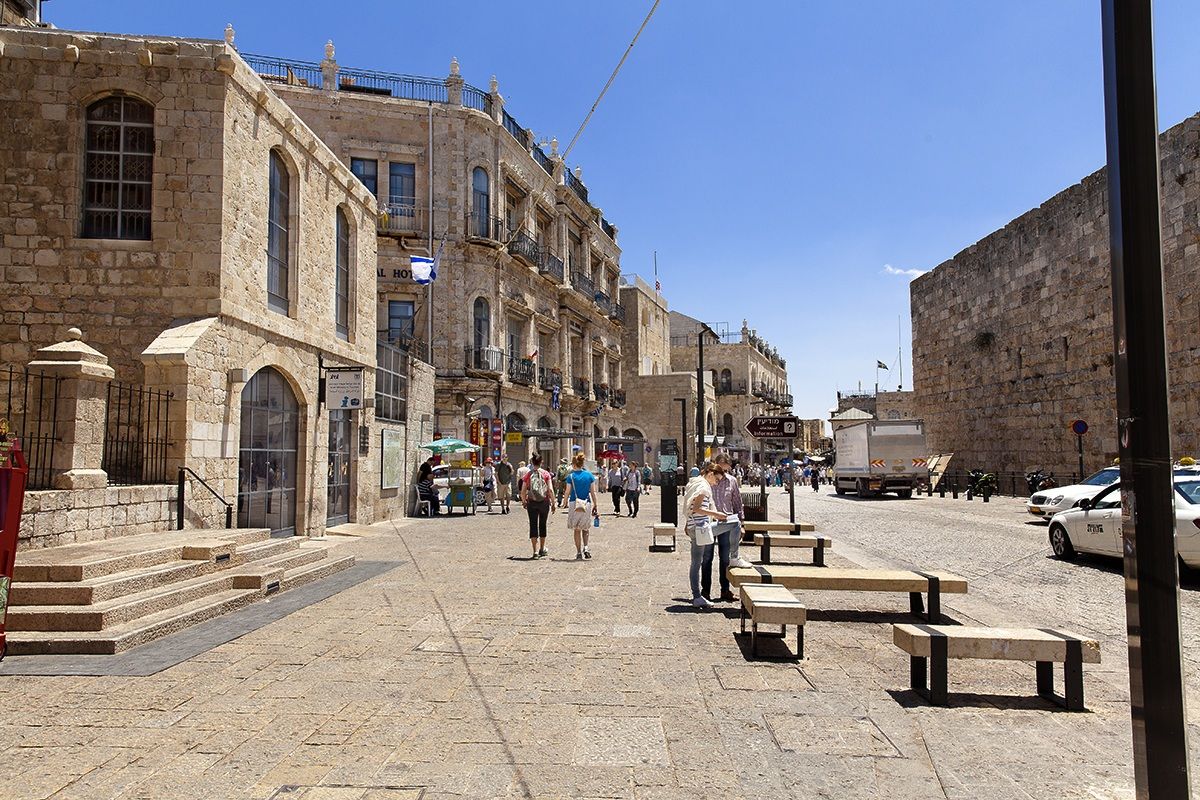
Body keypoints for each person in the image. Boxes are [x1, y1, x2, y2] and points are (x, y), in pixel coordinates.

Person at [684, 464, 727, 609]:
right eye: (716, 479)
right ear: (710, 474)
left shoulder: (697, 483)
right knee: (696, 563)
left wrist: (687, 523)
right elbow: (696, 508)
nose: (716, 483)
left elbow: (689, 506)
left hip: (694, 526)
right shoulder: (703, 487)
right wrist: (716, 514)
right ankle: (697, 596)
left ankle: (697, 595)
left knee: (696, 562)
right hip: (699, 528)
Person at [710, 453, 752, 600]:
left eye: (726, 468)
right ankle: (705, 592)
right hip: (711, 521)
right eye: (721, 466)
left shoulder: (732, 481)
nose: (723, 470)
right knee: (707, 558)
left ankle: (725, 589)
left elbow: (737, 503)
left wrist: (742, 523)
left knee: (725, 558)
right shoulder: (708, 480)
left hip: (727, 523)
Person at [564, 452, 599, 559]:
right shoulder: (589, 475)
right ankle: (586, 547)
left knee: (577, 529)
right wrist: (595, 505)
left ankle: (579, 552)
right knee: (585, 528)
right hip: (586, 503)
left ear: (574, 465)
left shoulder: (571, 476)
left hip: (575, 504)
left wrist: (564, 502)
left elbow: (567, 491)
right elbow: (593, 492)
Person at [520, 453, 555, 558]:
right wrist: (553, 503)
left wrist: (524, 501)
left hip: (532, 502)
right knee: (543, 524)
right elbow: (550, 490)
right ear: (541, 462)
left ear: (531, 462)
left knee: (533, 524)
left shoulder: (528, 474)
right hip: (544, 502)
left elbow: (523, 491)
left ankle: (534, 551)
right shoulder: (546, 474)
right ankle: (542, 548)